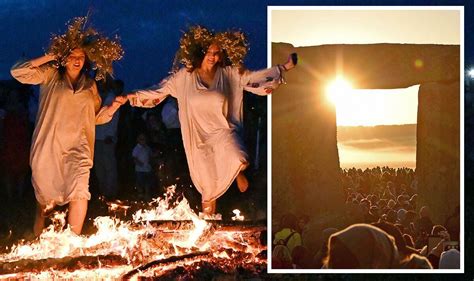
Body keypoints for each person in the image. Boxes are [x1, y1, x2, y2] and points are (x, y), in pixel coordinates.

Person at [123, 26, 296, 214]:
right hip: (199, 138)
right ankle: (208, 223)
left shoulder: (229, 73)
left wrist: (283, 67)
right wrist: (130, 96)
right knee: (208, 186)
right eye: (209, 52)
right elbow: (159, 90)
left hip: (222, 131)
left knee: (240, 157)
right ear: (200, 53)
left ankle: (237, 171)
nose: (213, 56)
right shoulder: (184, 77)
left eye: (217, 52)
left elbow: (253, 78)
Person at [10, 17, 124, 236]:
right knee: (45, 201)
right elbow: (18, 72)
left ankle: (74, 240)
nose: (77, 60)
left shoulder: (90, 86)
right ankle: (39, 240)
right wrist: (52, 55)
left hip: (78, 148)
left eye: (81, 56)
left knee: (80, 192)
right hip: (49, 148)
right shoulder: (50, 75)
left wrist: (112, 108)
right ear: (64, 58)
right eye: (72, 55)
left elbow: (95, 117)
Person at [132, 133, 154, 199]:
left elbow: (150, 155)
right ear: (138, 140)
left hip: (147, 169)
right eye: (141, 139)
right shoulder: (137, 148)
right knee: (140, 182)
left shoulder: (147, 148)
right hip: (140, 170)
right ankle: (140, 193)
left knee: (147, 182)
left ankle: (147, 194)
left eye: (144, 139)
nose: (143, 141)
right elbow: (134, 157)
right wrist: (138, 163)